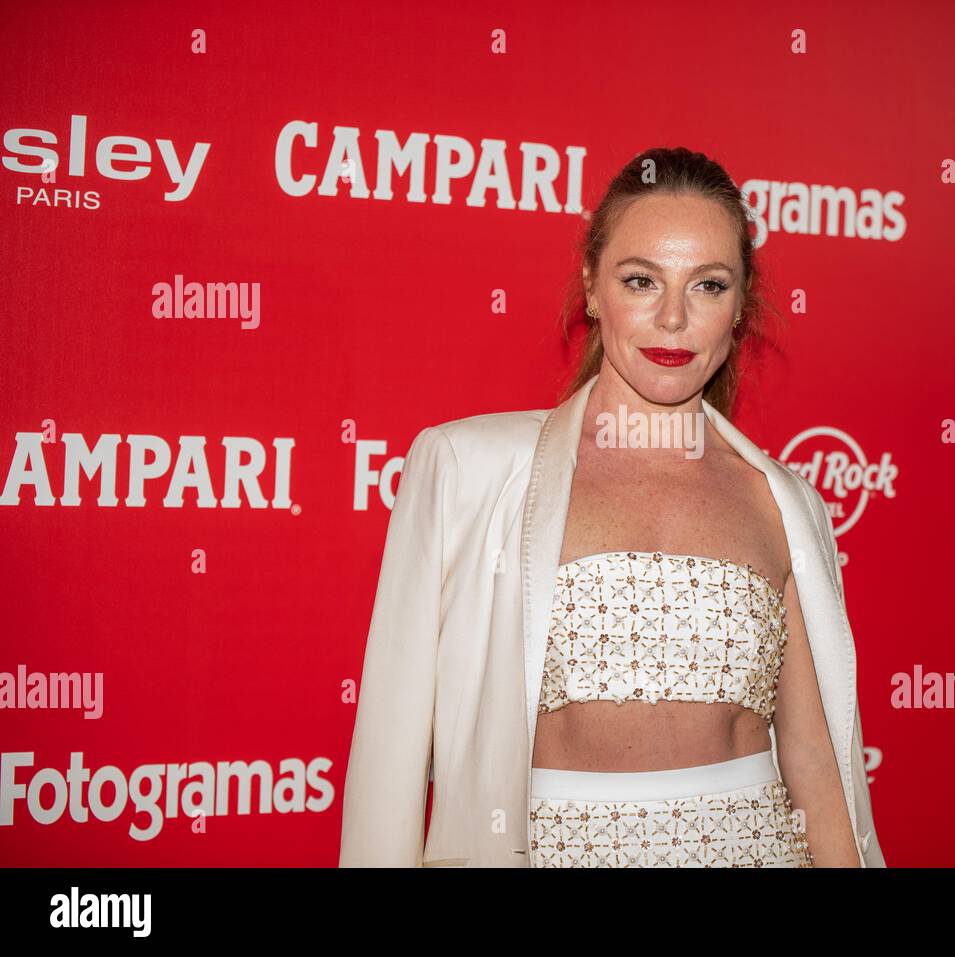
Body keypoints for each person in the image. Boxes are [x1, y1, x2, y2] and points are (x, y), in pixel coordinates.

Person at [339, 146, 885, 868]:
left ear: (740, 309)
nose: (672, 317)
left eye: (708, 285)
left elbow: (818, 767)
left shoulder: (784, 501)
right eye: (640, 279)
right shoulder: (466, 471)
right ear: (593, 288)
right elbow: (390, 760)